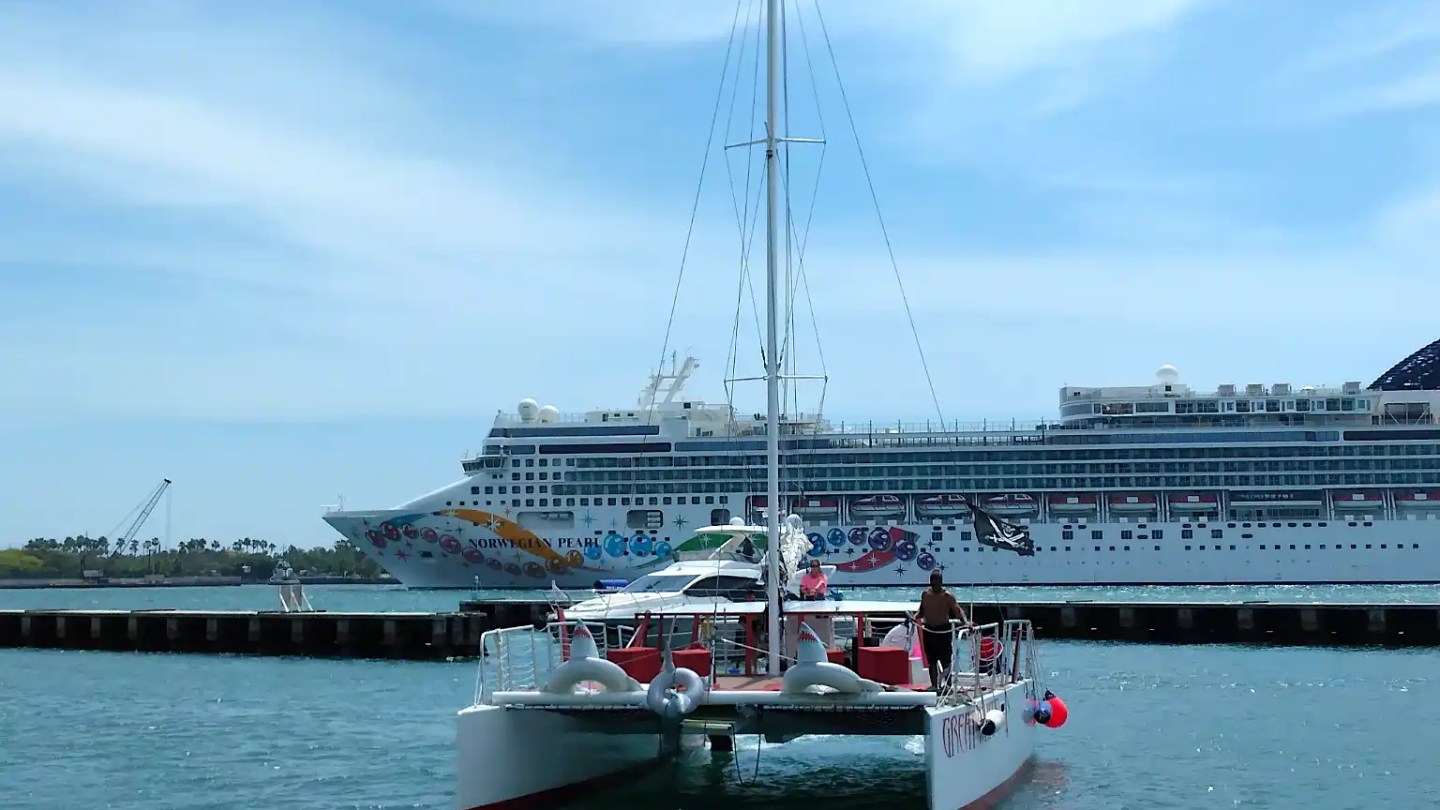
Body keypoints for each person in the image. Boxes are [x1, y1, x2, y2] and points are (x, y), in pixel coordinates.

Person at [916, 570, 970, 689]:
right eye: (932, 582)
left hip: (943, 630)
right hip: (929, 630)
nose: (935, 585)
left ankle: (948, 684)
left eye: (937, 582)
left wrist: (966, 623)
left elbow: (958, 611)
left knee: (946, 659)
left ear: (941, 582)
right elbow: (921, 611)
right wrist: (914, 617)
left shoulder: (947, 596)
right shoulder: (925, 594)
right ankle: (934, 686)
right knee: (932, 661)